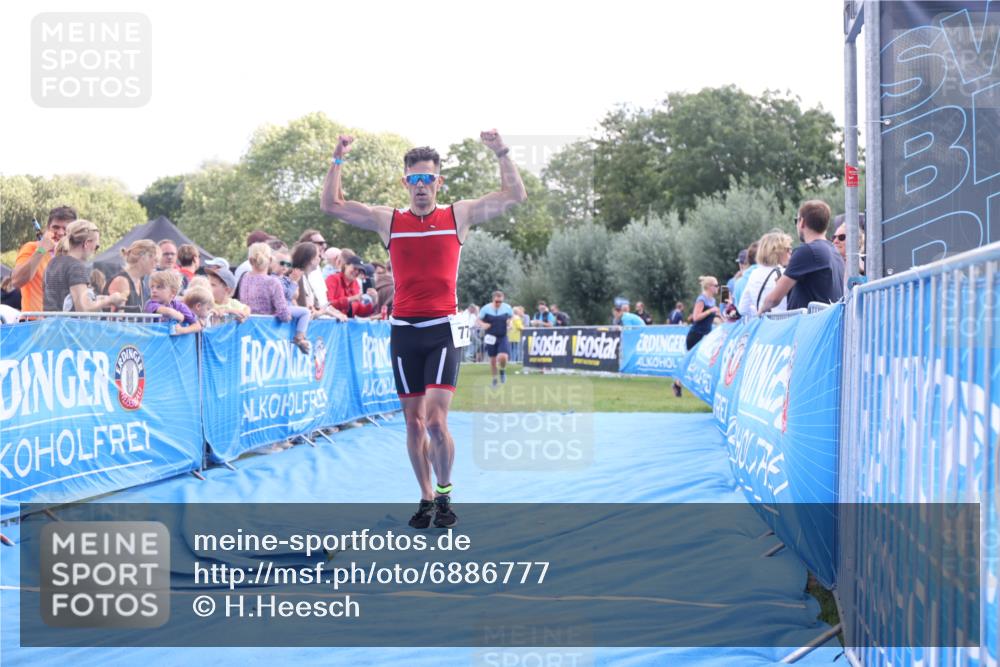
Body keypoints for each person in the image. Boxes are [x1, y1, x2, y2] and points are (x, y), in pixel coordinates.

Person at [321, 129, 527, 529]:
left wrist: (501, 151)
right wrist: (337, 157)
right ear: (405, 182)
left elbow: (514, 196)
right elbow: (332, 205)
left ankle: (446, 493)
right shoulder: (389, 220)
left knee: (435, 421)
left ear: (438, 181)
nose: (420, 186)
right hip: (404, 331)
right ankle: (426, 497)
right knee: (413, 423)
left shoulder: (457, 215)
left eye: (427, 178)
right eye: (413, 179)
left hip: (444, 329)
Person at [760, 200, 845, 314]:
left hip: (811, 323)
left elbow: (773, 299)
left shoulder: (807, 251)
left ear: (802, 222)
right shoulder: (834, 251)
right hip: (828, 321)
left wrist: (760, 312)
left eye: (797, 220)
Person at [241, 242, 312, 353]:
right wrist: (289, 317)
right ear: (270, 261)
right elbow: (284, 315)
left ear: (250, 261)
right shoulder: (273, 282)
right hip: (268, 333)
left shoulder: (245, 277)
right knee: (305, 312)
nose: (285, 267)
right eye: (282, 263)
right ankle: (300, 337)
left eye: (288, 264)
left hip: (248, 329)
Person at [43, 220, 126, 312]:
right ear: (87, 243)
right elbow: (83, 308)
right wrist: (110, 300)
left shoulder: (53, 262)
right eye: (96, 247)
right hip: (69, 322)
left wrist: (98, 299)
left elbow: (65, 300)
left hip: (50, 320)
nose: (95, 252)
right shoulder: (76, 266)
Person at [11, 205, 76, 312]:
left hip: (63, 320)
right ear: (48, 228)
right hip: (34, 320)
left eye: (65, 229)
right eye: (56, 227)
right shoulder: (32, 247)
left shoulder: (73, 255)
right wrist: (41, 250)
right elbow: (16, 281)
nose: (60, 233)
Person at [673, 276, 720, 397]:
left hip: (706, 335)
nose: (718, 288)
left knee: (705, 361)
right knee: (690, 362)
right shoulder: (702, 299)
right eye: (715, 285)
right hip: (695, 335)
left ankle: (700, 387)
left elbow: (712, 319)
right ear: (709, 287)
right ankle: (677, 383)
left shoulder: (713, 301)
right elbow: (696, 317)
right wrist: (710, 311)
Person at [739, 231, 793, 317]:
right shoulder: (786, 274)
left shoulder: (754, 274)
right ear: (777, 252)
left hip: (763, 323)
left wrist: (758, 311)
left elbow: (742, 309)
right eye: (787, 249)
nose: (790, 252)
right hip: (785, 323)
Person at [289, 241, 347, 321]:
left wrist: (331, 312)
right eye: (318, 256)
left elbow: (313, 309)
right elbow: (308, 312)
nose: (320, 258)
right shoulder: (298, 277)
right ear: (311, 259)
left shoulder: (304, 277)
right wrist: (326, 312)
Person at [105, 239, 157, 312]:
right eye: (153, 258)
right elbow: (117, 317)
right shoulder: (122, 281)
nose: (156, 263)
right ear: (143, 258)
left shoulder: (140, 282)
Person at [479, 291, 514, 387]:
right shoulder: (485, 309)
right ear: (493, 299)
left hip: (502, 336)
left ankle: (502, 370)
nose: (498, 303)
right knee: (493, 360)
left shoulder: (507, 308)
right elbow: (478, 319)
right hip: (490, 337)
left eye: (500, 301)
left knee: (503, 357)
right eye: (497, 301)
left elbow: (511, 317)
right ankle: (494, 379)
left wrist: (510, 323)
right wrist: (483, 324)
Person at [298, 229, 333, 311]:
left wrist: (334, 312)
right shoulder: (298, 271)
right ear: (307, 245)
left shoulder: (317, 268)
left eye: (324, 243)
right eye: (320, 243)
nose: (324, 246)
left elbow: (323, 301)